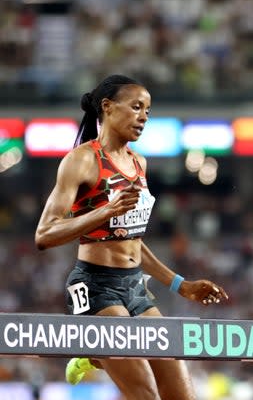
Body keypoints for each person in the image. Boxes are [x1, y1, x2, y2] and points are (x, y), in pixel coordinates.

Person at [35, 74, 229, 400]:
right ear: (108, 108)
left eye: (148, 111)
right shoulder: (82, 160)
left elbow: (132, 242)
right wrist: (103, 212)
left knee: (183, 394)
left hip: (135, 289)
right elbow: (44, 234)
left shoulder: (139, 163)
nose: (144, 117)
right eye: (137, 107)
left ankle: (93, 354)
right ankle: (95, 349)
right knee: (146, 396)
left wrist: (182, 285)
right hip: (95, 288)